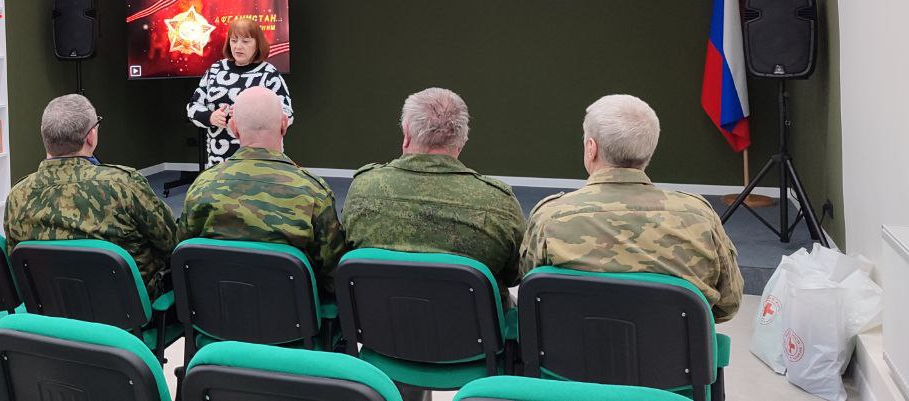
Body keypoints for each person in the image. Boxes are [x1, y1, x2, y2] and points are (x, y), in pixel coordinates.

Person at [520, 94, 744, 322]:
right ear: (650, 149)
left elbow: (530, 292)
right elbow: (728, 304)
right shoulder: (700, 217)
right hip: (666, 345)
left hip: (571, 343)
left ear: (591, 149)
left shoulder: (550, 217)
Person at [342, 88, 526, 289]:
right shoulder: (500, 203)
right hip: (462, 309)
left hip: (378, 308)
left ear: (406, 133)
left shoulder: (362, 188)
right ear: (461, 140)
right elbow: (515, 275)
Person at [5, 94, 176, 297]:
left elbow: (15, 259)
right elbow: (171, 241)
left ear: (44, 134)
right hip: (127, 307)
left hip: (50, 305)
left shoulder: (17, 195)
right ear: (90, 136)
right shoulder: (123, 184)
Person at [179, 86, 346, 293]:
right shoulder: (313, 192)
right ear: (284, 124)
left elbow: (182, 254)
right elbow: (334, 278)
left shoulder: (201, 186)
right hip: (289, 311)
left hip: (215, 308)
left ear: (234, 128)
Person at [187, 18, 293, 165]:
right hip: (221, 162)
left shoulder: (269, 73)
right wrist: (210, 117)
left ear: (257, 44)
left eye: (245, 41)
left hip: (261, 160)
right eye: (234, 40)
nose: (238, 46)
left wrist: (248, 115)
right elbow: (193, 107)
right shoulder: (215, 70)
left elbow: (287, 115)